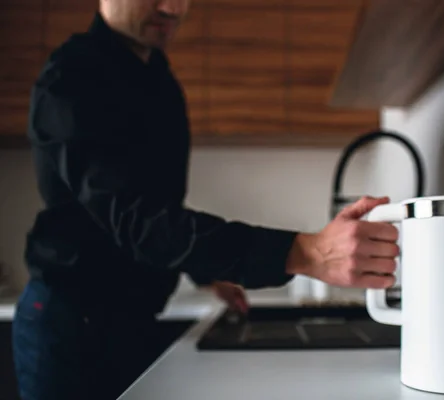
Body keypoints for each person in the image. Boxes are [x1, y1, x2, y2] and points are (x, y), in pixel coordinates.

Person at [11, 1, 400, 399]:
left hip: (130, 322)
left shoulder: (158, 79)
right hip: (70, 326)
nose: (174, 8)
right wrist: (307, 252)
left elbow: (159, 211)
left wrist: (207, 269)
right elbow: (137, 221)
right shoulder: (72, 77)